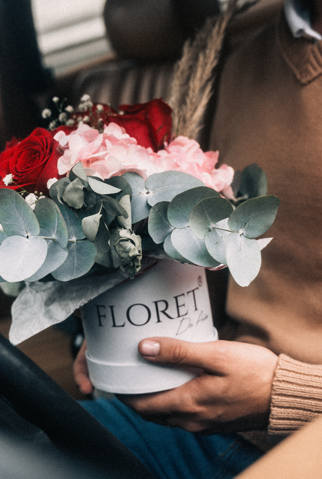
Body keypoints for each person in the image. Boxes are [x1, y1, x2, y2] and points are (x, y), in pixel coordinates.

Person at [73, 0, 322, 477]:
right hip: (206, 420)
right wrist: (128, 316)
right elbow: (220, 249)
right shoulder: (236, 57)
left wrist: (283, 394)